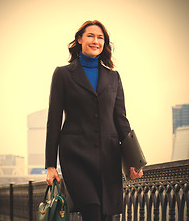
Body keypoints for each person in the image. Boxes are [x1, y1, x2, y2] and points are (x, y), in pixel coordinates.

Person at [45, 20, 143, 221]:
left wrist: (134, 160)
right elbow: (54, 120)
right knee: (92, 210)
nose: (95, 41)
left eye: (100, 37)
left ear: (104, 43)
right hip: (76, 156)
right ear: (79, 39)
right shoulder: (63, 74)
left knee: (106, 215)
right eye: (90, 35)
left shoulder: (113, 77)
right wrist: (50, 165)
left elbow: (121, 119)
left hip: (108, 156)